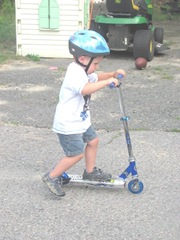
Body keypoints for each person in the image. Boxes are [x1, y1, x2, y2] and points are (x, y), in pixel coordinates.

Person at [42, 30, 125, 196]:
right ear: (82, 59)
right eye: (96, 64)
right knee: (75, 154)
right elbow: (84, 89)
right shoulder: (74, 72)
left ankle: (90, 171)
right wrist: (108, 82)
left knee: (93, 141)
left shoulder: (84, 70)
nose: (96, 67)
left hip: (81, 120)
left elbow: (96, 77)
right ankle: (51, 177)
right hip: (68, 123)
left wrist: (112, 74)